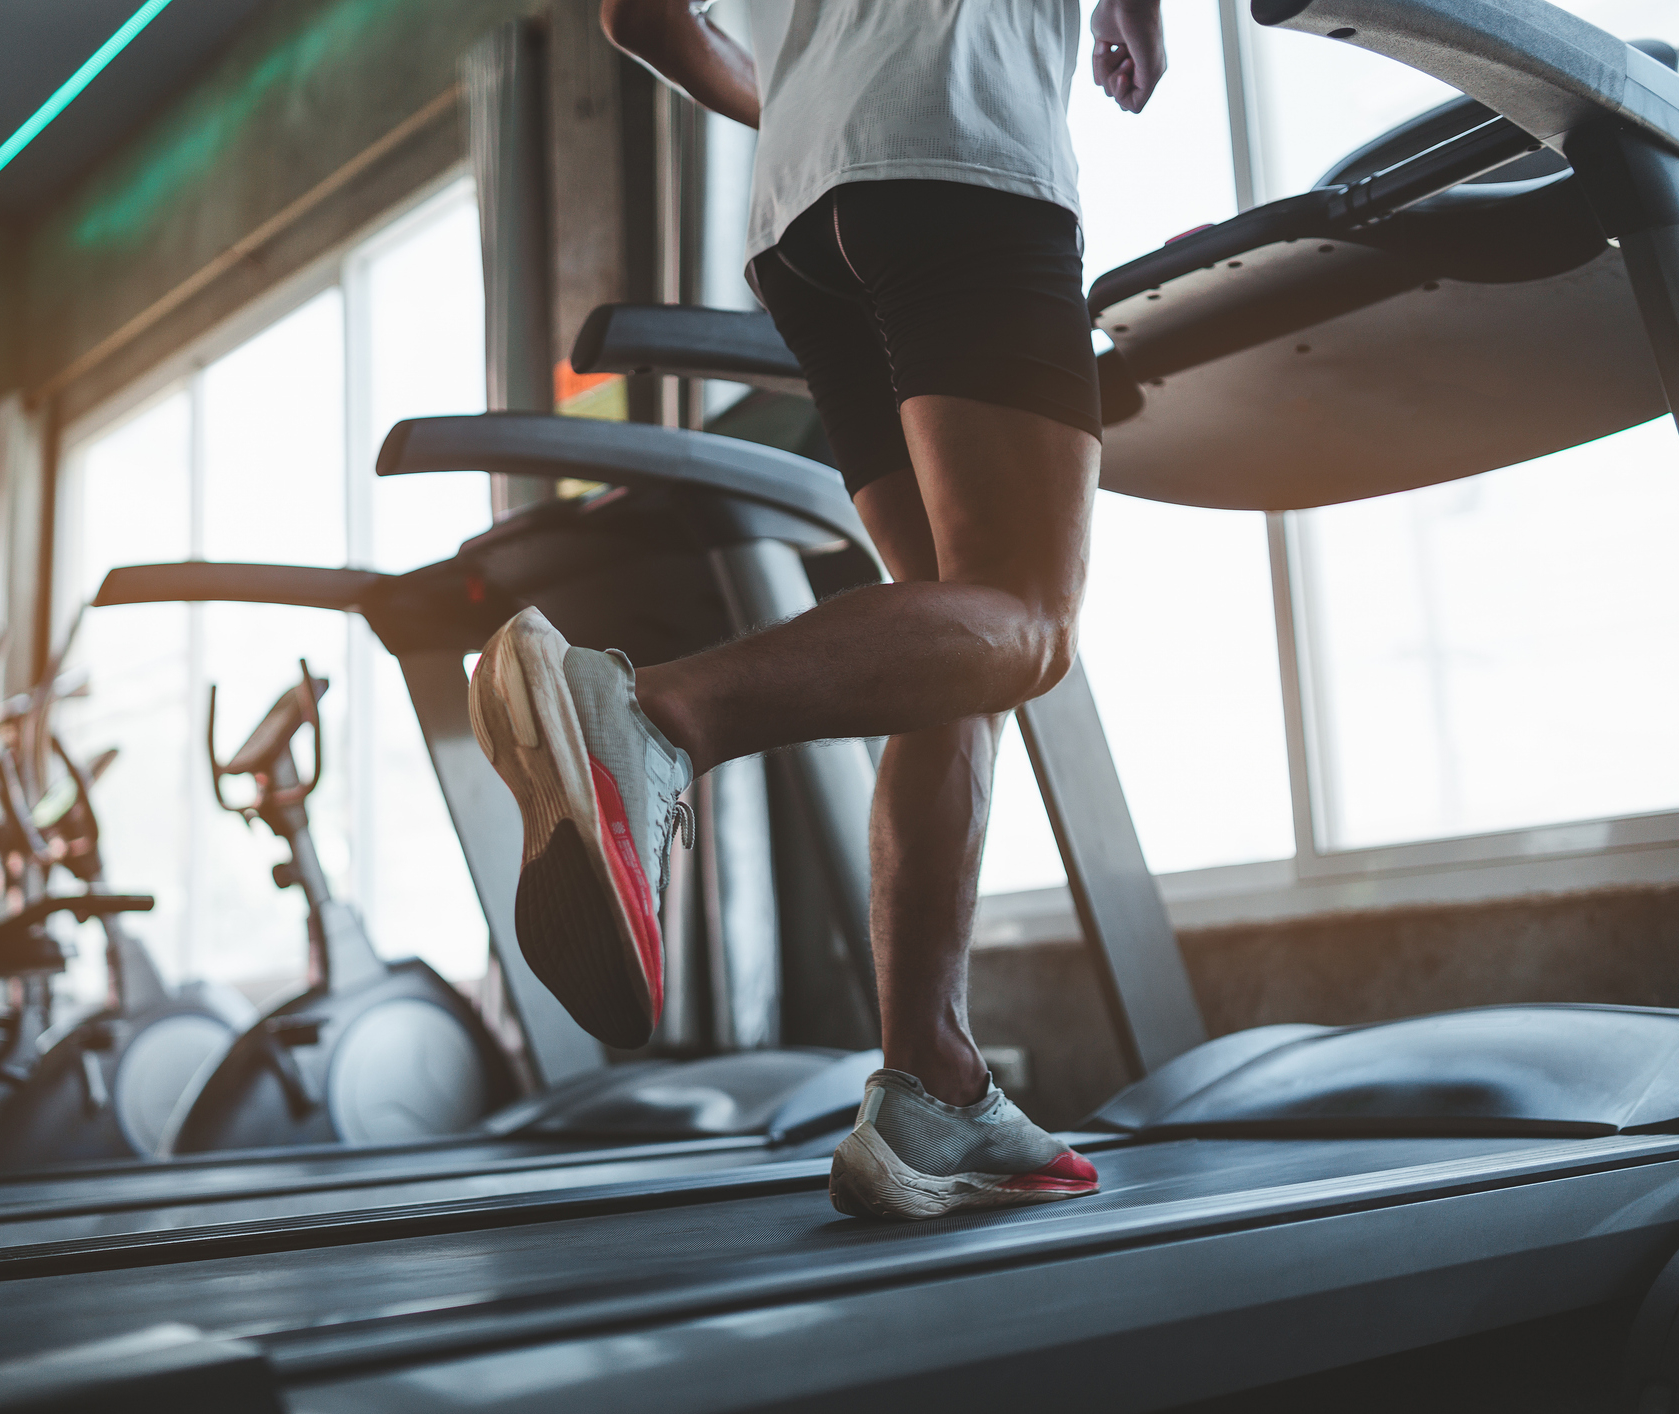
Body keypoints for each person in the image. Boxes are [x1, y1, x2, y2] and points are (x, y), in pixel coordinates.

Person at [467, 0, 1167, 1220]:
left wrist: (808, 103)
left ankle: (929, 1082)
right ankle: (652, 715)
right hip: (961, 145)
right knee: (1029, 620)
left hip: (799, 207)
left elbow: (639, 18)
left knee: (951, 637)